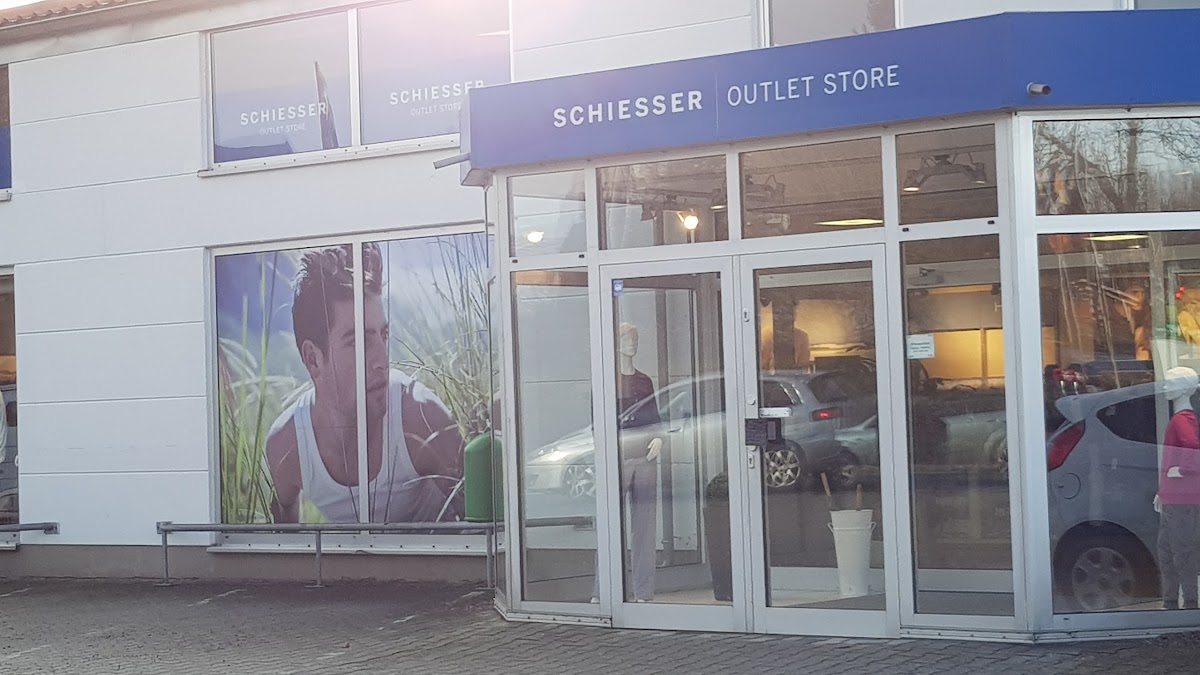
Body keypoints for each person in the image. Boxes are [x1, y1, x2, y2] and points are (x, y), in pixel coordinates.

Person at [265, 244, 464, 524]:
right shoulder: (287, 446)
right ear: (313, 359)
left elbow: (483, 527)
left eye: (383, 335)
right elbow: (283, 534)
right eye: (359, 342)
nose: (383, 361)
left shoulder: (421, 418)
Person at [1154, 366, 1200, 610]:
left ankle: (1187, 602)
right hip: (1175, 496)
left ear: (1183, 388)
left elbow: (1192, 448)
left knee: (1181, 550)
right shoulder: (1182, 420)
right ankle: (1172, 600)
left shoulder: (1182, 421)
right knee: (1169, 550)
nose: (1165, 387)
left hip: (1182, 497)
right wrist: (1162, 491)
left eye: (1170, 383)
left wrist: (1182, 470)